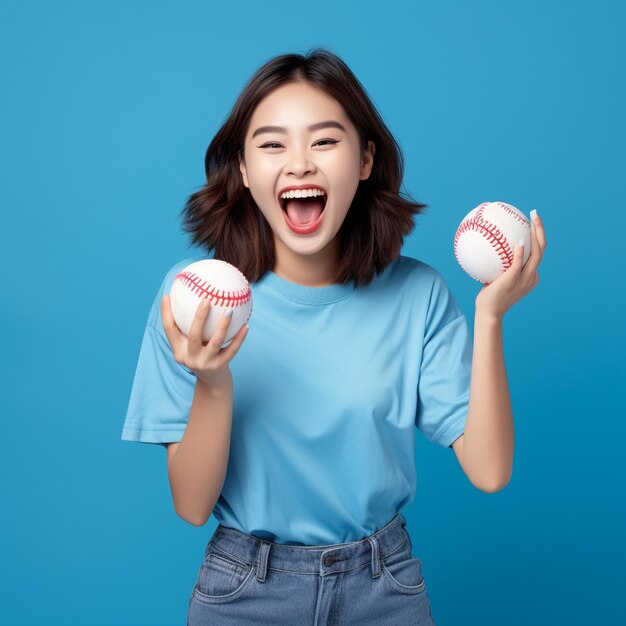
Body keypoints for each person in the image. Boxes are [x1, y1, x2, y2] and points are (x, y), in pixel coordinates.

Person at [121, 48, 546, 625]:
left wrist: (491, 317)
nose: (299, 164)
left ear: (365, 159)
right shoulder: (191, 299)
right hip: (246, 592)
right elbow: (193, 507)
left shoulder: (416, 294)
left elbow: (490, 472)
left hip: (383, 588)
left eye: (324, 141)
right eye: (272, 144)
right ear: (244, 170)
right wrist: (213, 381)